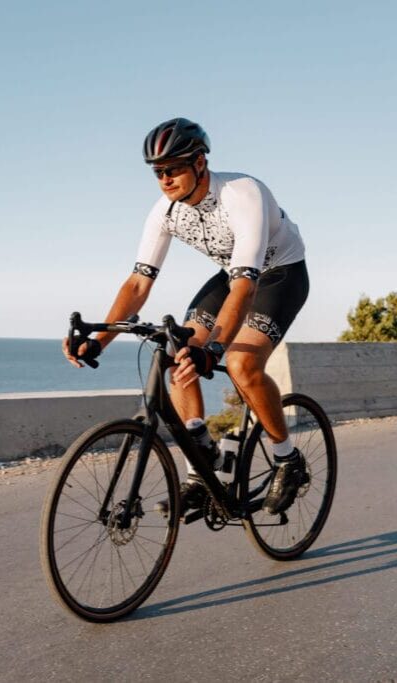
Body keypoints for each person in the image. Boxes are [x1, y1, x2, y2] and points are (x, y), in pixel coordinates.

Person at [62, 117, 310, 515]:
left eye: (174, 168)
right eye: (158, 172)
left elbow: (245, 287)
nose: (165, 179)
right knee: (177, 348)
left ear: (199, 164)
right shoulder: (165, 211)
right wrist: (98, 340)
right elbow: (138, 284)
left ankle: (287, 459)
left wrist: (213, 349)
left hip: (279, 275)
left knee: (242, 364)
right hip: (232, 275)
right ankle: (202, 463)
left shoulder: (243, 194)